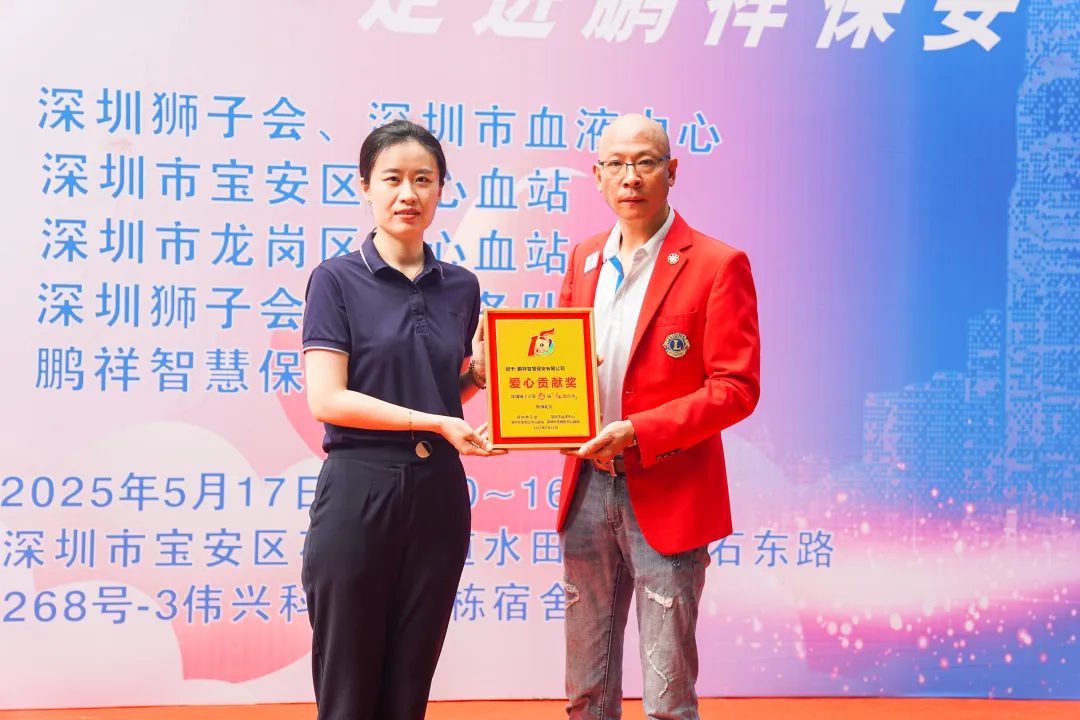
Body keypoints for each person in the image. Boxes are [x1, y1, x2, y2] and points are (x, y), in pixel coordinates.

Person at [556, 113, 762, 719]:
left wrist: (639, 432)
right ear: (597, 175)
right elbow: (559, 362)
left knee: (667, 696)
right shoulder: (584, 258)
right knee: (585, 688)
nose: (631, 177)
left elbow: (736, 388)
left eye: (645, 162)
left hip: (669, 489)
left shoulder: (717, 264)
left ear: (671, 171)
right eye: (616, 164)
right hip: (588, 485)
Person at [300, 119, 503, 720]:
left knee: (410, 683)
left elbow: (439, 390)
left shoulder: (461, 287)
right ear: (365, 186)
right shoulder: (335, 279)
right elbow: (327, 399)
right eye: (392, 179)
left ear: (441, 189)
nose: (407, 194)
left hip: (439, 492)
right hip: (360, 486)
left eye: (423, 179)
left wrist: (479, 378)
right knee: (349, 685)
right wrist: (435, 422)